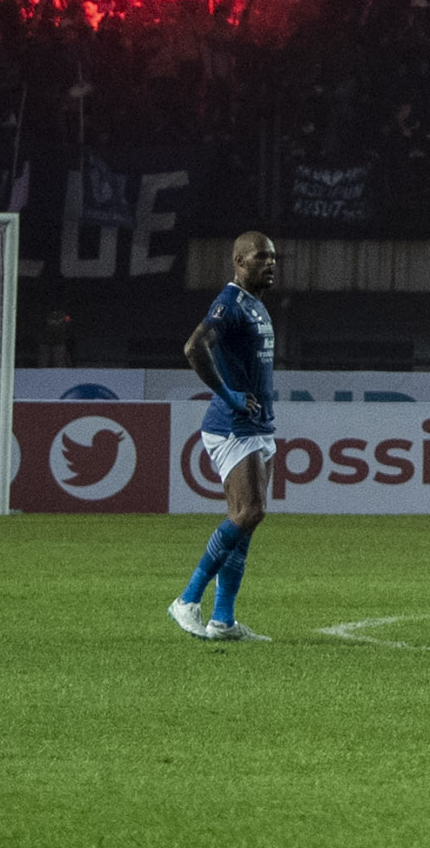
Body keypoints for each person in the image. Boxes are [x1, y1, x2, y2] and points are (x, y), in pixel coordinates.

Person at [171, 231, 280, 642]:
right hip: (233, 424)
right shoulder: (230, 304)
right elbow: (193, 346)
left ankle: (223, 620)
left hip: (258, 424)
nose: (270, 264)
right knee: (250, 512)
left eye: (273, 257)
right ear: (238, 261)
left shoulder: (256, 306)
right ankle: (187, 600)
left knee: (247, 522)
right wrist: (227, 394)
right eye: (260, 257)